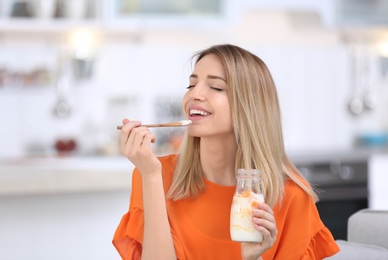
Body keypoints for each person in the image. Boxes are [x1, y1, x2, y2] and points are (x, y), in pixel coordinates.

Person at [113, 44, 340, 260]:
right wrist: (151, 176)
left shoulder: (291, 198)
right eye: (191, 85)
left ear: (249, 106)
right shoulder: (154, 174)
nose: (195, 94)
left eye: (216, 87)